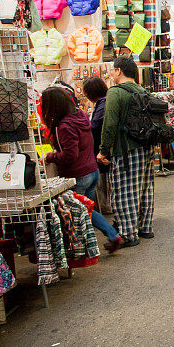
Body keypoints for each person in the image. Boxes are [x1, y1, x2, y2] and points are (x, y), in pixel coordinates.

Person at [41, 86, 124, 253]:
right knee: (86, 210)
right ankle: (107, 237)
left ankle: (106, 238)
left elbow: (71, 154)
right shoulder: (80, 116)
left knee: (83, 211)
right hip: (91, 170)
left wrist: (51, 157)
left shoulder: (64, 126)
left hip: (78, 174)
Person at [97, 56, 156, 247]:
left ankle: (129, 234)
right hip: (146, 145)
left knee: (125, 191)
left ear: (119, 71)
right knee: (145, 187)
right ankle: (145, 227)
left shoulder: (115, 92)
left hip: (126, 149)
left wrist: (103, 150)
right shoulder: (142, 90)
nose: (112, 74)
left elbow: (110, 123)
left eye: (113, 70)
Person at [82, 76, 113, 222]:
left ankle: (106, 206)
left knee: (104, 180)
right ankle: (106, 205)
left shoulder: (102, 105)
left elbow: (96, 127)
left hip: (102, 150)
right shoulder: (103, 104)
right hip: (103, 150)